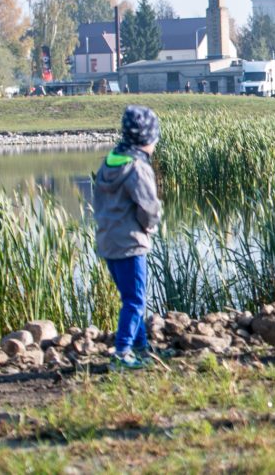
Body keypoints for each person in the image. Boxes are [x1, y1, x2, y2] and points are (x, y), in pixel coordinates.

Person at [93, 106, 164, 371]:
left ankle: (142, 348)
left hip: (108, 241)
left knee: (130, 299)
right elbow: (149, 207)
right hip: (131, 243)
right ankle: (122, 352)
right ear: (147, 139)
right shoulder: (138, 167)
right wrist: (151, 228)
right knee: (135, 301)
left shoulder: (111, 160)